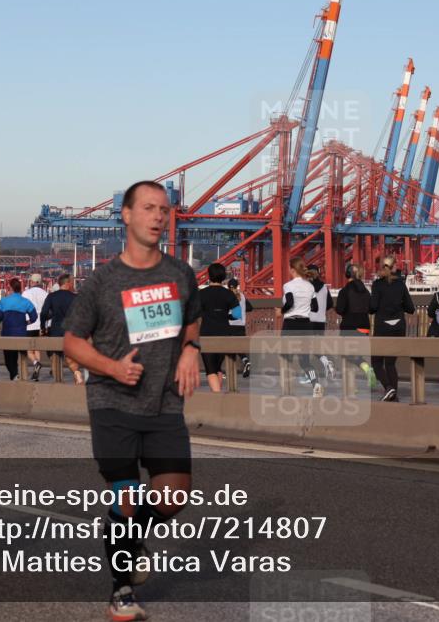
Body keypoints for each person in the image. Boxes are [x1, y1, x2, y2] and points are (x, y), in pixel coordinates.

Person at [63, 180, 201, 622]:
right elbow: (72, 341)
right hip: (113, 402)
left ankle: (129, 535)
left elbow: (193, 320)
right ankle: (120, 591)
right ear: (125, 215)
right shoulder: (102, 281)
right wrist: (112, 368)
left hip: (164, 403)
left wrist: (191, 349)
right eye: (148, 208)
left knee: (174, 497)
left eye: (164, 209)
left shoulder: (180, 273)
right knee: (127, 494)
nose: (159, 216)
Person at [369, 255, 415, 402]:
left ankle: (389, 388)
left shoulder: (377, 285)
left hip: (382, 326)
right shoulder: (401, 284)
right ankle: (393, 394)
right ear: (394, 267)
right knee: (390, 363)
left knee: (376, 361)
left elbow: (373, 308)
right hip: (398, 327)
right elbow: (411, 308)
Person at [282, 257, 323, 398]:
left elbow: (289, 302)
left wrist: (280, 311)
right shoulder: (310, 286)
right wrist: (304, 307)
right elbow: (316, 307)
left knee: (285, 356)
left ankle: (286, 390)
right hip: (306, 324)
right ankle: (316, 383)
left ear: (292, 270)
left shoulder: (288, 285)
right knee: (304, 359)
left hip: (291, 324)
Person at [334, 263, 377, 389]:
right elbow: (371, 309)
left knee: (347, 355)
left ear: (347, 274)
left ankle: (353, 385)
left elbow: (340, 309)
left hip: (349, 326)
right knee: (356, 354)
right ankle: (366, 369)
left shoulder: (344, 291)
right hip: (364, 326)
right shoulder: (366, 291)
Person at [198, 263, 238, 393]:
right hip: (224, 333)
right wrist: (225, 316)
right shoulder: (229, 294)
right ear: (223, 276)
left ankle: (217, 397)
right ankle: (218, 395)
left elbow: (193, 312)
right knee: (218, 368)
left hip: (207, 333)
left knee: (210, 370)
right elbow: (237, 315)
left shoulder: (201, 294)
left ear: (209, 276)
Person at [40, 273, 85, 384]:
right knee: (70, 356)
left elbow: (44, 313)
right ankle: (76, 373)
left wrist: (42, 327)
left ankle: (58, 382)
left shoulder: (52, 296)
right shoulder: (75, 297)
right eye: (72, 282)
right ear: (68, 283)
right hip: (71, 331)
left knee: (53, 355)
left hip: (55, 330)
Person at [0, 277, 38, 380]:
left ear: (10, 287)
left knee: (9, 359)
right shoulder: (25, 301)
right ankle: (20, 376)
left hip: (7, 334)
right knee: (22, 357)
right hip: (21, 334)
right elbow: (34, 317)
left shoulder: (3, 301)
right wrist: (26, 323)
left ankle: (14, 375)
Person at [307, 264, 336, 379]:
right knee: (316, 346)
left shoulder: (307, 286)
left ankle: (310, 374)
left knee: (307, 348)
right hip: (321, 321)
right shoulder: (324, 287)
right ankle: (326, 362)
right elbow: (330, 304)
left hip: (309, 320)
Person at [22, 273, 49, 381]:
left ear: (32, 282)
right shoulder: (45, 293)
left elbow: (23, 309)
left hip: (30, 324)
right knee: (37, 349)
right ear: (40, 282)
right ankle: (36, 370)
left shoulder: (26, 293)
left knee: (29, 350)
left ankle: (35, 363)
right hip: (41, 324)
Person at [227, 278, 253, 377]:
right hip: (241, 325)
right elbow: (250, 308)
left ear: (228, 286)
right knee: (237, 346)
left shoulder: (228, 295)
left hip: (230, 325)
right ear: (237, 285)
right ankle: (246, 361)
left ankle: (227, 372)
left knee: (227, 347)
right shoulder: (242, 296)